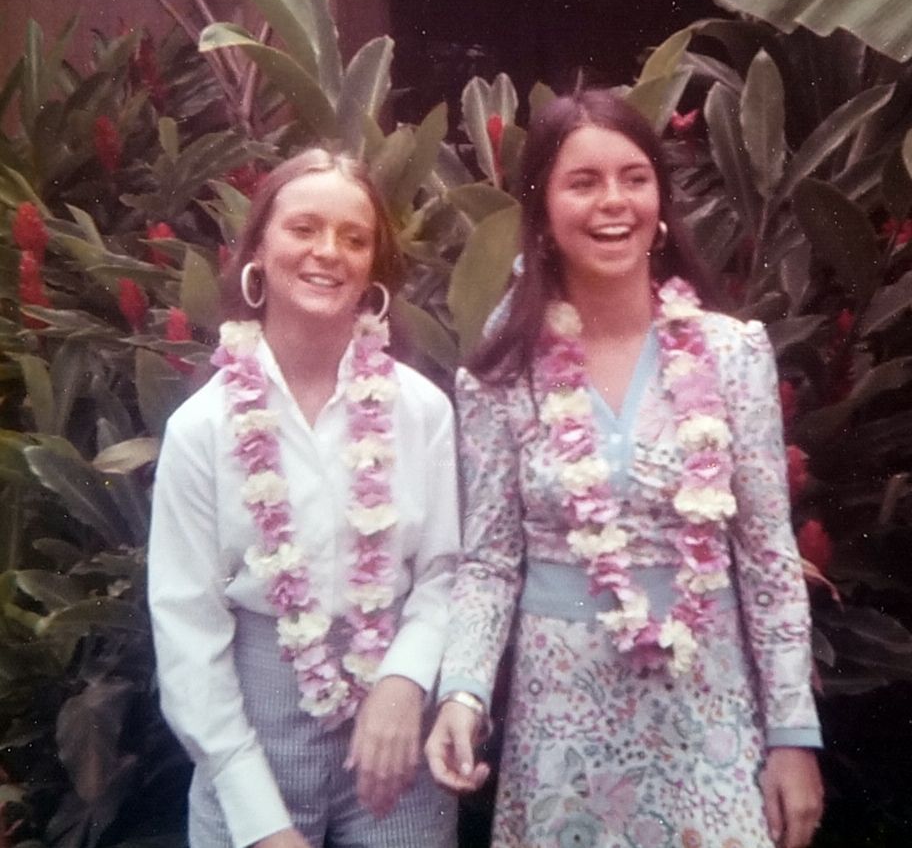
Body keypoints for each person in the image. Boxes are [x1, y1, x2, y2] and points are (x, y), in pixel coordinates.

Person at [426, 90, 824, 848]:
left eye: (634, 178)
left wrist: (792, 734)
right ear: (542, 210)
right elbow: (490, 562)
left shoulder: (731, 354)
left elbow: (769, 557)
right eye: (583, 182)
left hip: (709, 718)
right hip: (561, 731)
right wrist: (463, 693)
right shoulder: (502, 376)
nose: (614, 201)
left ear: (660, 201)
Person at [148, 148, 459, 848]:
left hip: (392, 735)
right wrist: (259, 821)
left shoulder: (421, 410)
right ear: (258, 249)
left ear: (374, 266)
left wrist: (405, 681)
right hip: (249, 732)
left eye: (354, 237)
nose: (329, 252)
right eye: (304, 228)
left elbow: (445, 574)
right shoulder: (202, 427)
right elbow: (187, 629)